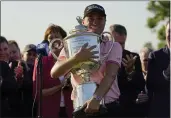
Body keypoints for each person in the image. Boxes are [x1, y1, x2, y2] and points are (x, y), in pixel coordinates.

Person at [51, 4, 123, 118]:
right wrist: (76, 59)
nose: (95, 21)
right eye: (91, 18)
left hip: (108, 107)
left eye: (100, 18)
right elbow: (55, 73)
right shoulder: (72, 45)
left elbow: (110, 75)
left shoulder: (113, 46)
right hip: (80, 108)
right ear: (83, 22)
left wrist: (96, 99)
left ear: (105, 21)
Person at [33, 26, 73, 118]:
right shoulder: (41, 61)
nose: (54, 41)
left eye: (57, 37)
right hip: (49, 112)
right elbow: (38, 93)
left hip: (70, 111)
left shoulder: (72, 60)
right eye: (50, 38)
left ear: (64, 40)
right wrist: (60, 86)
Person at [109, 24, 145, 117]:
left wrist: (130, 72)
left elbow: (140, 84)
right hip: (108, 108)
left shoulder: (132, 57)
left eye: (122, 43)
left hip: (128, 109)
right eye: (117, 44)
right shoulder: (104, 58)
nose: (120, 48)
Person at [146, 20, 170, 118]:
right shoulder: (156, 56)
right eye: (170, 31)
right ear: (166, 33)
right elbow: (150, 85)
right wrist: (167, 74)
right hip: (163, 112)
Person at [0, 36, 27, 117]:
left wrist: (20, 78)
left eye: (5, 49)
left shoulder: (19, 65)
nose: (3, 53)